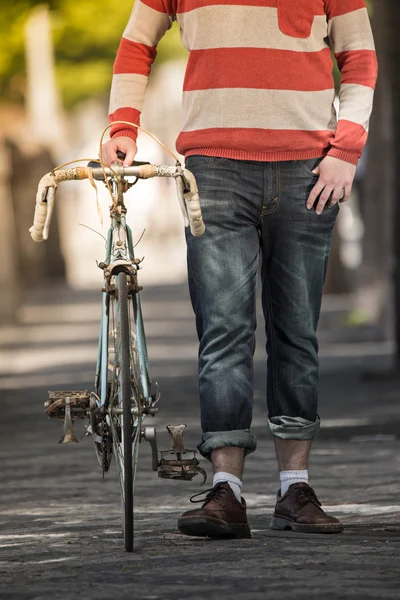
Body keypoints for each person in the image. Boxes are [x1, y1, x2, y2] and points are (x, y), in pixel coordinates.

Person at [102, 0, 378, 538]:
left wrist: (347, 150)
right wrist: (123, 125)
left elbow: (360, 56)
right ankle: (226, 492)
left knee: (296, 333)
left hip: (308, 170)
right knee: (224, 331)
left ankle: (294, 488)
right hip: (214, 169)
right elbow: (137, 42)